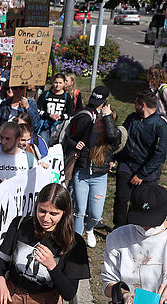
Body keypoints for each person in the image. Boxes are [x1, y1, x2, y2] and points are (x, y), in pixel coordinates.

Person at [63, 98, 120, 247]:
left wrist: (107, 117)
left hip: (99, 178)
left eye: (102, 120)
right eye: (99, 118)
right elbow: (68, 138)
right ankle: (76, 240)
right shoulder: (87, 127)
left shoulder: (111, 136)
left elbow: (114, 138)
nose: (97, 122)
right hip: (81, 175)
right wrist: (76, 144)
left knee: (96, 214)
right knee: (79, 211)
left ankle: (89, 229)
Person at [113, 91, 167, 227]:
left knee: (141, 202)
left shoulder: (160, 125)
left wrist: (142, 174)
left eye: (135, 103)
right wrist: (114, 158)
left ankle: (135, 228)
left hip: (146, 172)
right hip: (126, 165)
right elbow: (122, 140)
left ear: (142, 105)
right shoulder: (132, 118)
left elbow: (159, 154)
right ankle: (118, 228)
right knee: (121, 199)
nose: (134, 106)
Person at [36, 73, 73, 146]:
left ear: (64, 83)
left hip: (59, 128)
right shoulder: (46, 94)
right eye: (56, 82)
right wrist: (49, 115)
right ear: (52, 82)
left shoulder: (67, 97)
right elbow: (37, 109)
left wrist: (60, 117)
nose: (57, 85)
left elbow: (70, 113)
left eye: (60, 83)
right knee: (43, 146)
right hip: (45, 126)